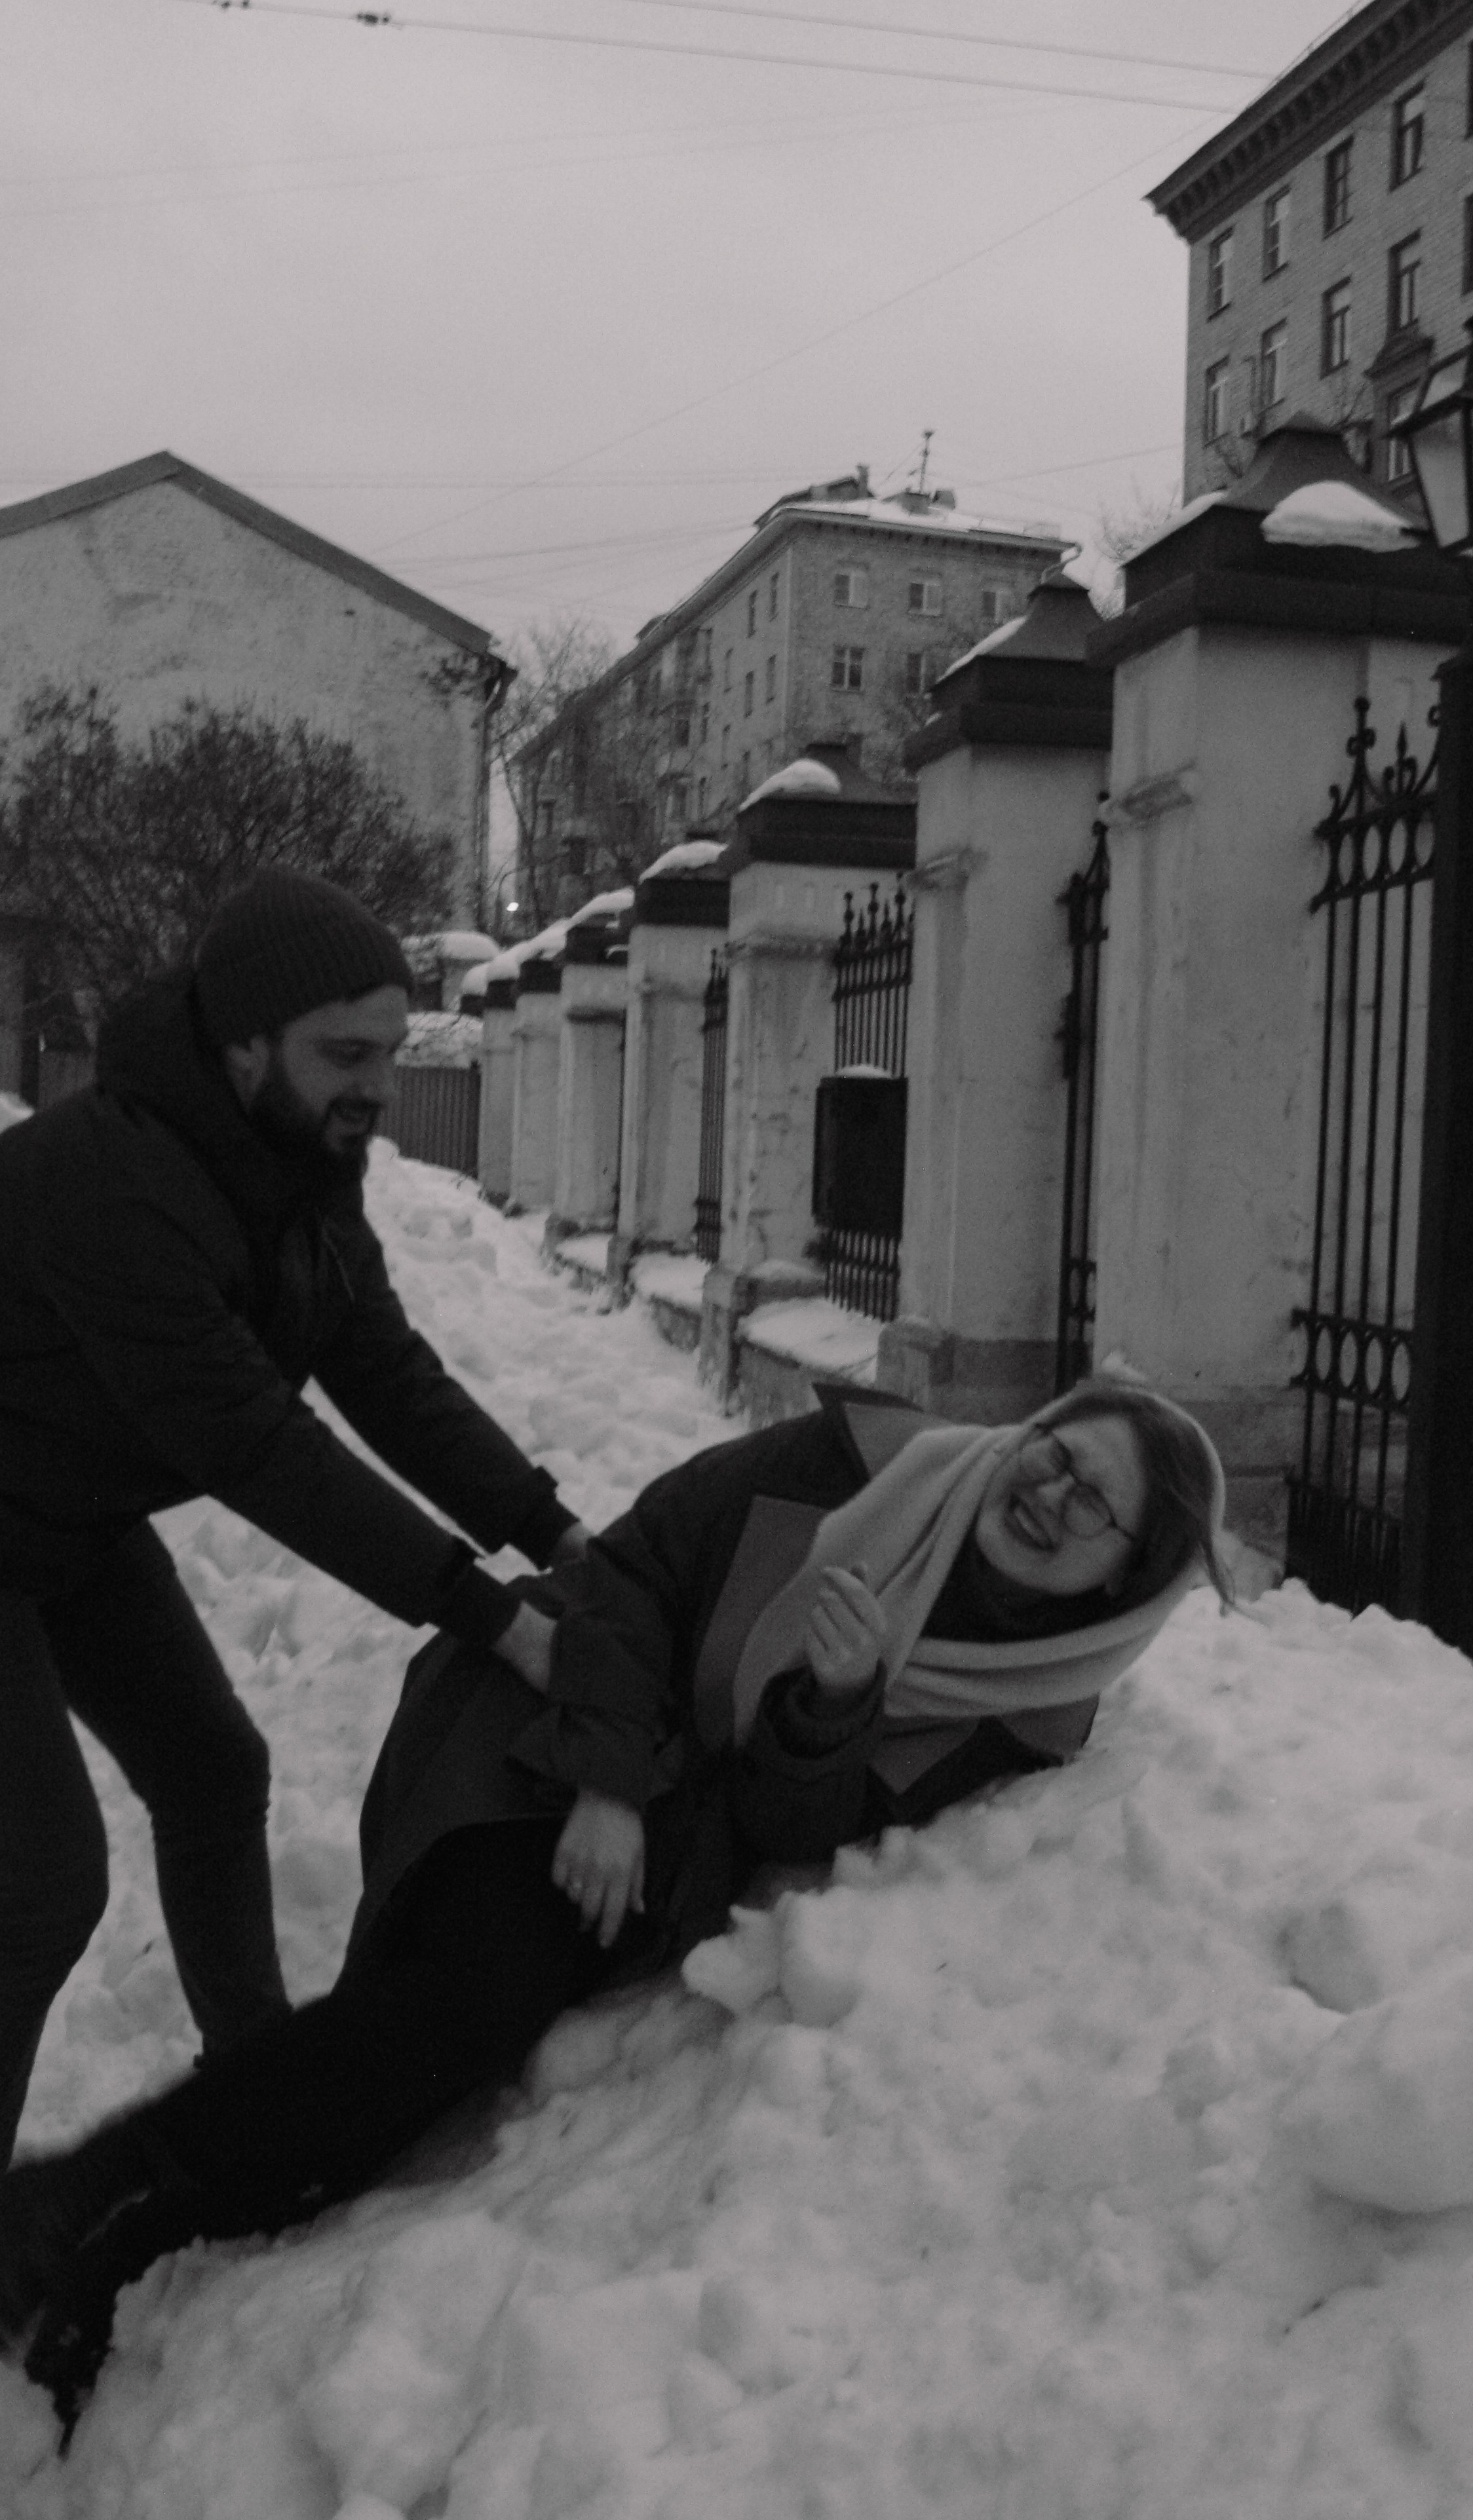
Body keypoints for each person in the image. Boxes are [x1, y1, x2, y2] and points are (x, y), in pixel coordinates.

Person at [0, 1374, 1225, 2431]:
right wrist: (609, 1786)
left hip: (660, 1850)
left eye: (1094, 1504)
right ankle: (83, 2192)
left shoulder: (1024, 1713)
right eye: (1059, 1451)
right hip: (546, 1718)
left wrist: (830, 1710)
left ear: (1122, 1576)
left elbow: (796, 1838)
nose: (1052, 1493)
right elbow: (633, 1572)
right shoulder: (856, 1466)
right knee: (460, 2006)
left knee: (405, 2077)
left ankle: (108, 2258)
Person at [0, 868, 588, 2179]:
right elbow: (258, 1446)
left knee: (213, 1768)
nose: (374, 1084)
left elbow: (383, 1370)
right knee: (38, 1881)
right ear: (243, 1040)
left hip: (63, 1519)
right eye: (344, 1053)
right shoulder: (112, 1182)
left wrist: (556, 1535)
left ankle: (260, 2106)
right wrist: (491, 1617)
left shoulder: (296, 1166)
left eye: (386, 1051)